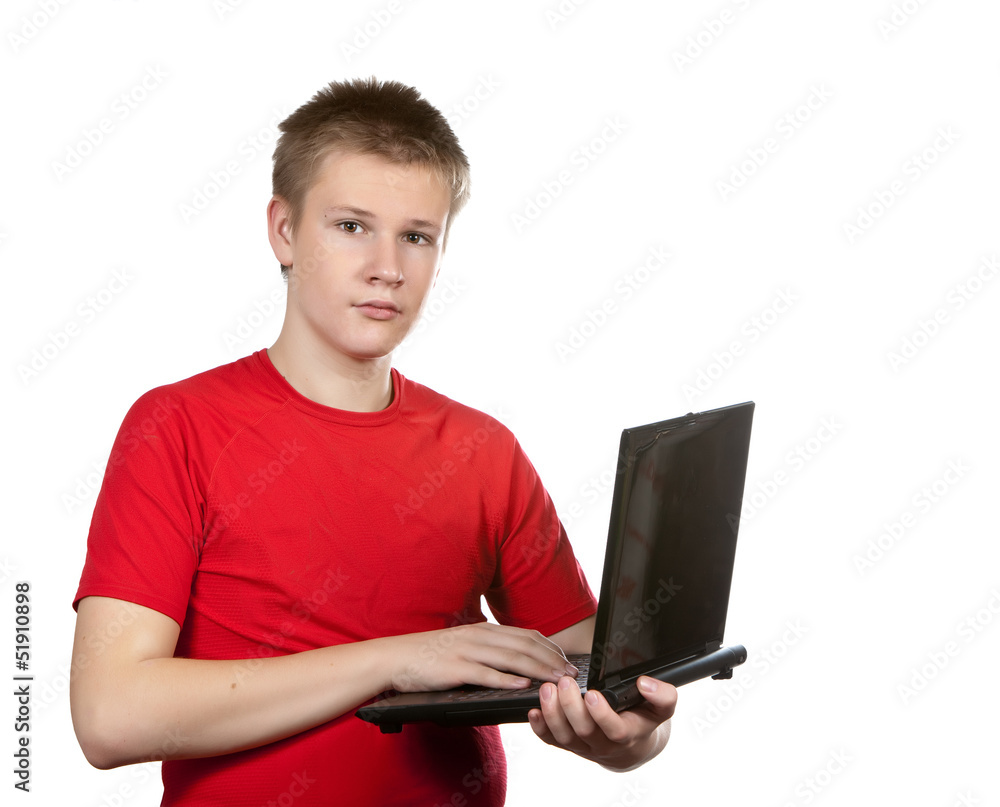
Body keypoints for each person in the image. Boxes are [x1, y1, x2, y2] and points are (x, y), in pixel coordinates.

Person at [70, 77, 677, 806]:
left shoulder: (482, 451)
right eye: (352, 226)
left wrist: (632, 734)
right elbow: (110, 716)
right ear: (285, 230)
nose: (387, 267)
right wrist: (398, 661)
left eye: (416, 236)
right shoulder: (177, 427)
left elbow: (599, 676)